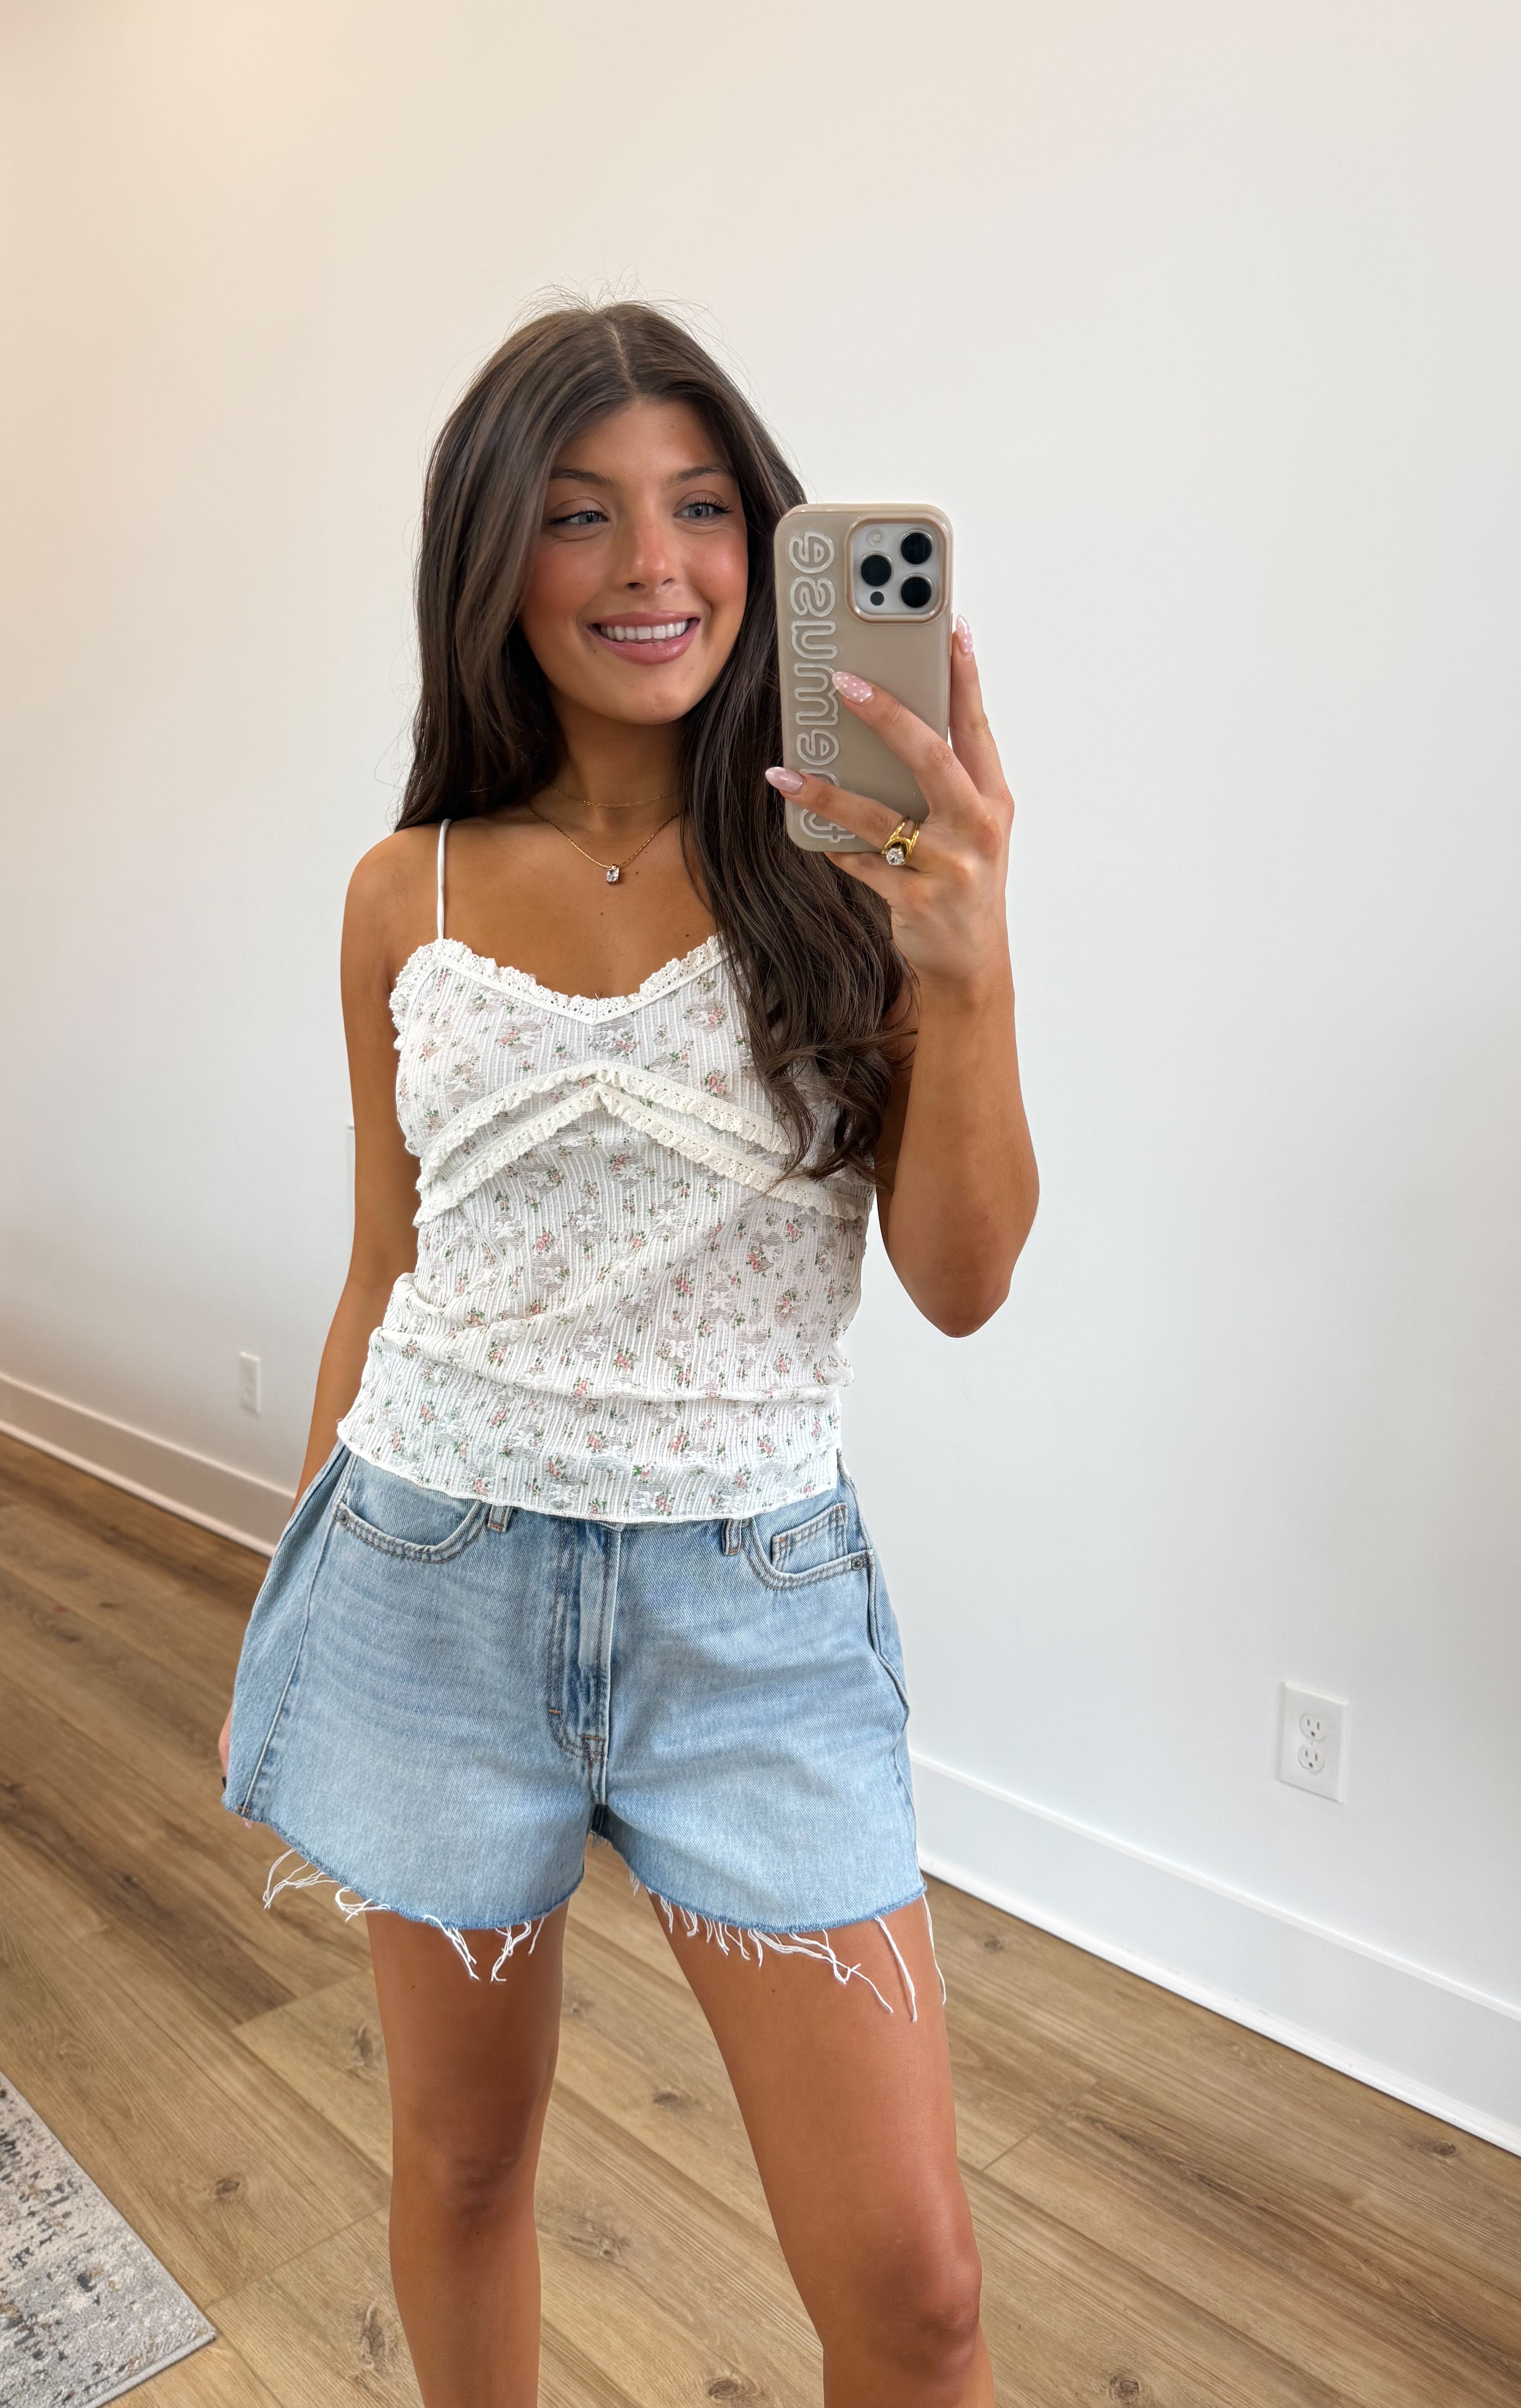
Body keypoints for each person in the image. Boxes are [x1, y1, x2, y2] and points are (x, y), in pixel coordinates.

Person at [219, 301, 1037, 2408]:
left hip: (754, 1616)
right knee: (463, 2161)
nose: (652, 565)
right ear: (496, 557)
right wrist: (313, 1583)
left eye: (700, 509)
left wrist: (972, 963)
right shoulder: (402, 893)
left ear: (769, 545)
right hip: (429, 1575)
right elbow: (385, 1267)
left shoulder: (857, 868)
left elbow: (962, 1281)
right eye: (581, 515)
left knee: (921, 2296)